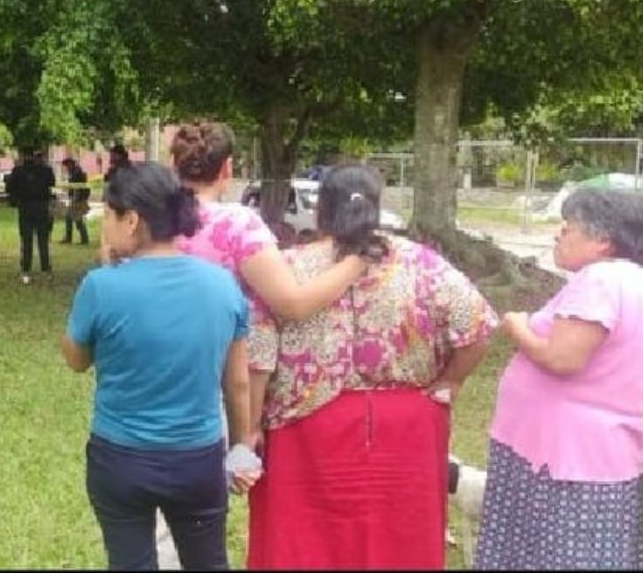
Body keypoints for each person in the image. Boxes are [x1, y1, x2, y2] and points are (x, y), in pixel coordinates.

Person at [245, 164, 495, 569]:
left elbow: (258, 353)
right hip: (406, 428)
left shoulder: (289, 267)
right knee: (401, 543)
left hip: (305, 429)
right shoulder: (422, 264)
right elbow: (477, 324)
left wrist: (250, 425)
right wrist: (452, 380)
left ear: (320, 211)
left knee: (302, 544)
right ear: (376, 208)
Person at [63, 162, 261, 571]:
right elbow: (238, 381)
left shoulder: (101, 286)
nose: (107, 227)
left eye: (110, 216)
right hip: (198, 459)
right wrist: (242, 444)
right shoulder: (223, 284)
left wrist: (107, 276)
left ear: (131, 219)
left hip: (119, 460)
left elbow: (76, 360)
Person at [474, 188, 643, 569]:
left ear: (603, 240)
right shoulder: (632, 281)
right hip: (598, 454)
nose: (557, 235)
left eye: (567, 229)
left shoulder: (602, 279)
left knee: (555, 554)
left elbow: (563, 358)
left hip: (563, 459)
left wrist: (517, 326)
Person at [169, 120, 368, 322]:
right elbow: (293, 305)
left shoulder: (153, 217)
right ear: (227, 168)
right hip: (222, 349)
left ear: (175, 166)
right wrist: (357, 261)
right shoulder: (237, 225)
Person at [5, 146, 56, 284]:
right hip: (41, 207)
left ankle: (26, 271)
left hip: (25, 208)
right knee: (43, 241)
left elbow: (9, 188)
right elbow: (52, 182)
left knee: (26, 241)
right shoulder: (45, 170)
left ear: (22, 156)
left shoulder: (18, 171)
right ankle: (46, 270)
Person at [59, 157, 90, 245]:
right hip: (78, 197)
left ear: (70, 164)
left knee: (77, 219)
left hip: (78, 198)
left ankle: (83, 239)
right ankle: (70, 238)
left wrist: (74, 200)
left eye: (66, 165)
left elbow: (77, 188)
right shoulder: (75, 172)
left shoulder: (76, 173)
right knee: (70, 218)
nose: (66, 168)